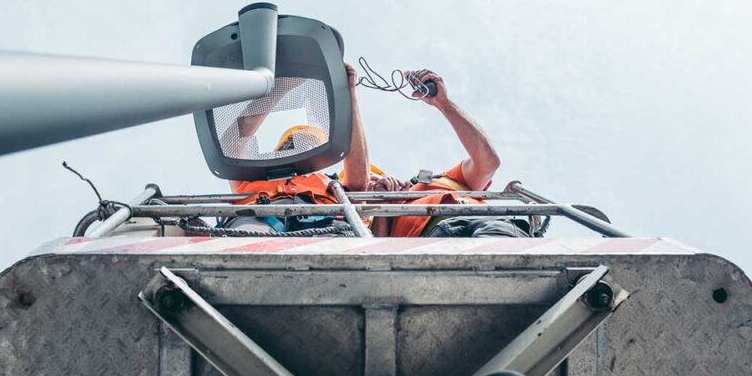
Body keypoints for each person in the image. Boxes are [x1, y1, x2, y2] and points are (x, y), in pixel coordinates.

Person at [369, 69, 534, 238]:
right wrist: (383, 201)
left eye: (374, 175)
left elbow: (488, 162)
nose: (374, 179)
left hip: (483, 222)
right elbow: (377, 255)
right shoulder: (375, 219)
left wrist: (443, 103)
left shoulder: (445, 180)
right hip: (429, 242)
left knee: (504, 251)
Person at [221, 63, 370, 233]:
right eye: (293, 141)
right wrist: (281, 87)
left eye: (310, 142)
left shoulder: (331, 183)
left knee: (337, 247)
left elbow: (359, 181)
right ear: (279, 150)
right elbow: (231, 144)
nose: (301, 146)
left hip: (324, 219)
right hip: (256, 216)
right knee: (246, 240)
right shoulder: (251, 175)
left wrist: (349, 95)